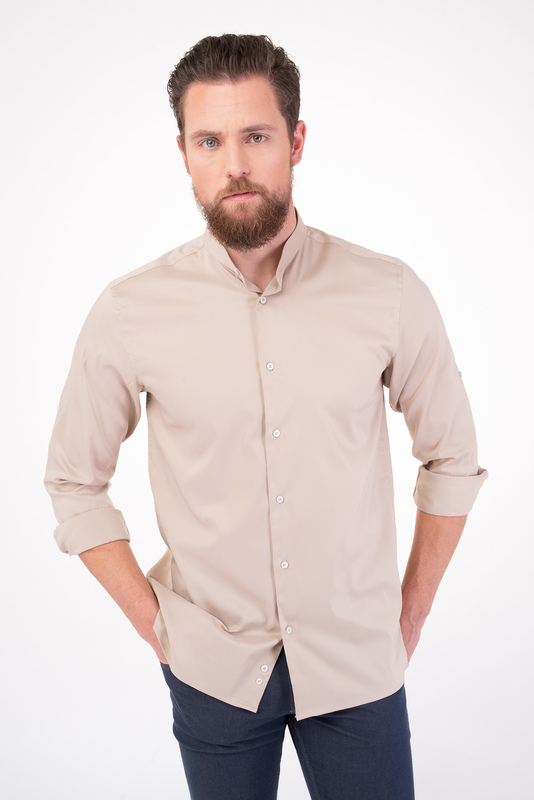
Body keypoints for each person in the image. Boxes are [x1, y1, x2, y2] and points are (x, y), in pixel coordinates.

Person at [45, 33, 487, 800]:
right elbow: (72, 482)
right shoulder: (129, 311)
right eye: (209, 141)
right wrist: (157, 625)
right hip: (211, 669)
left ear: (296, 141)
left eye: (256, 136)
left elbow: (452, 457)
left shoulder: (387, 292)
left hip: (356, 665)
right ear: (183, 153)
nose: (234, 165)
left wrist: (409, 617)